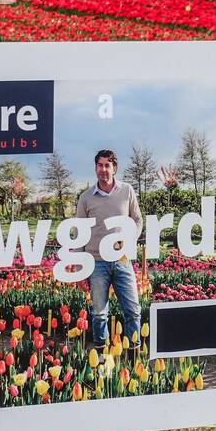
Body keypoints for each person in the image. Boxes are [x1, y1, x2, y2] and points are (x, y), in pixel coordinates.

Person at [75, 149, 143, 351]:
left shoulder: (127, 191)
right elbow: (80, 233)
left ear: (114, 168)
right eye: (100, 165)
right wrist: (80, 267)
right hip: (96, 262)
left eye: (107, 165)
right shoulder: (86, 197)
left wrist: (130, 238)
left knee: (133, 309)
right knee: (99, 313)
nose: (103, 169)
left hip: (122, 259)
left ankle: (134, 351)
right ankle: (100, 353)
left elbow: (137, 220)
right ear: (95, 168)